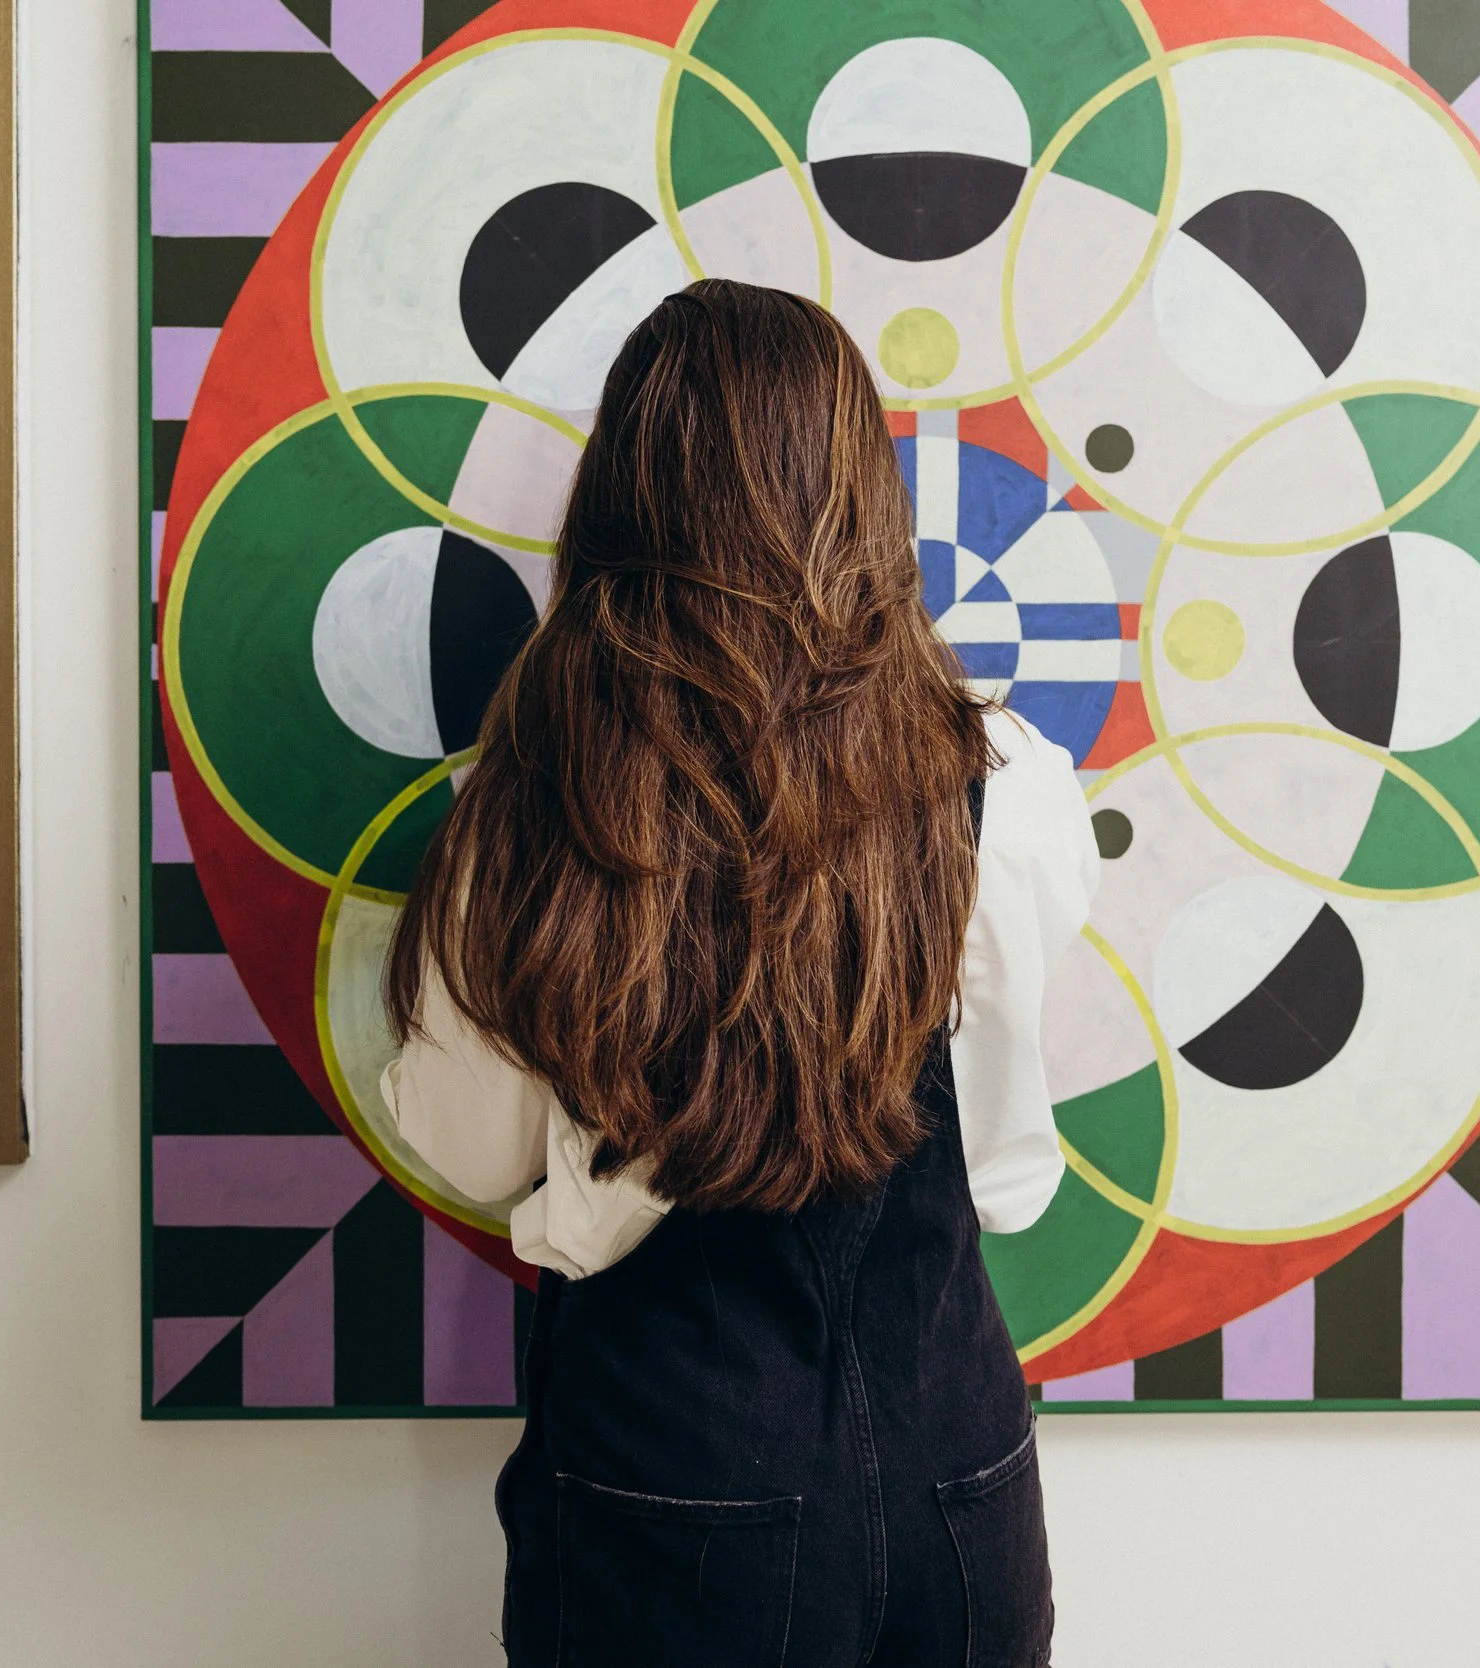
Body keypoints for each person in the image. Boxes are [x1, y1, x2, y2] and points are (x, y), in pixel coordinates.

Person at [378, 279, 1099, 1668]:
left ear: (623, 503)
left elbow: (468, 1151)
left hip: (674, 1492)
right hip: (961, 1483)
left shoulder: (538, 797)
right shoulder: (1003, 783)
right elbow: (1002, 1173)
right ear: (860, 501)